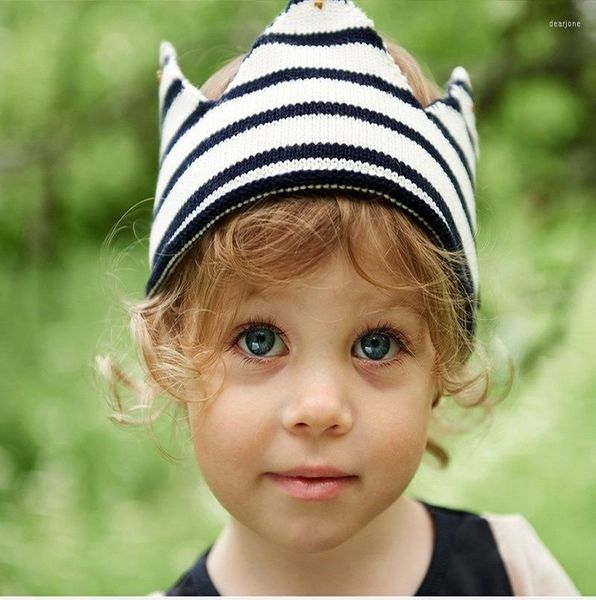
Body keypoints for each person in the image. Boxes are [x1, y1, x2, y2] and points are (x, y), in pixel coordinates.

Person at [99, 0, 580, 595]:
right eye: (260, 339)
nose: (320, 407)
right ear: (172, 355)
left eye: (376, 345)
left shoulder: (512, 575)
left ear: (442, 366)